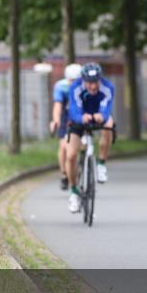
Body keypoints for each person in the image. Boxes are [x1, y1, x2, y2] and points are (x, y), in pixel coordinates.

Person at [64, 63, 116, 213]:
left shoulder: (108, 87)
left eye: (96, 82)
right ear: (83, 80)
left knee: (109, 126)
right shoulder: (75, 87)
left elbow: (107, 107)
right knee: (71, 155)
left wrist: (102, 116)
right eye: (89, 83)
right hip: (81, 117)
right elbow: (73, 110)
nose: (93, 87)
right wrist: (81, 118)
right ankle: (74, 191)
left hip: (99, 115)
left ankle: (101, 164)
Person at [50, 63, 82, 190]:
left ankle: (84, 163)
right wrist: (56, 120)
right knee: (63, 146)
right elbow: (58, 106)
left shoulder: (86, 87)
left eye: (76, 81)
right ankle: (64, 173)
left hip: (81, 115)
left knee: (82, 144)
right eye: (71, 80)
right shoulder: (61, 87)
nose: (73, 83)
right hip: (66, 116)